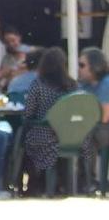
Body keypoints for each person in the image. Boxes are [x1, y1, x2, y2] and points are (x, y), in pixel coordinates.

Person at [23, 47, 77, 195]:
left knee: (22, 139)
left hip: (43, 135)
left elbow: (29, 113)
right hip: (69, 137)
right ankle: (62, 184)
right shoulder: (72, 85)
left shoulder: (39, 83)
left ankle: (33, 185)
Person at [78, 47, 109, 189]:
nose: (79, 69)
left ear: (95, 66)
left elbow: (104, 116)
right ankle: (82, 180)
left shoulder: (106, 83)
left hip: (104, 126)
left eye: (82, 65)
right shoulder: (84, 85)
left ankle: (88, 181)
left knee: (87, 138)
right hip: (93, 126)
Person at [0, 25, 33, 91]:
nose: (11, 44)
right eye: (7, 42)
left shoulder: (31, 53)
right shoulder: (6, 59)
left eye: (13, 40)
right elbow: (1, 82)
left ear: (19, 38)